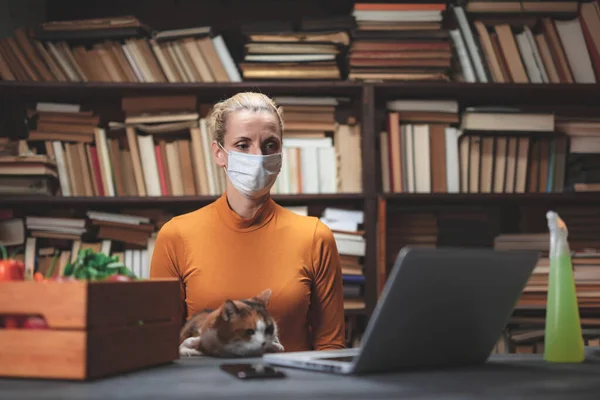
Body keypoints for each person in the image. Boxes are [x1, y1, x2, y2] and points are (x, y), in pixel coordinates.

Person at [150, 92, 346, 353]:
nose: (258, 156)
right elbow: (156, 340)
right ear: (219, 154)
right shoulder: (177, 235)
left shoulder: (314, 237)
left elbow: (331, 347)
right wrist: (178, 352)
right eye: (243, 145)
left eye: (270, 145)